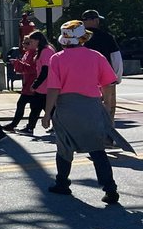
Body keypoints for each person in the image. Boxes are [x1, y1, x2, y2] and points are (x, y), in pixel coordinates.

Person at [42, 20, 133, 204]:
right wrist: (107, 107)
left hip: (66, 109)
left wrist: (47, 113)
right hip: (91, 108)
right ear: (83, 38)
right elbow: (108, 84)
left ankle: (62, 183)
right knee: (97, 150)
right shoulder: (96, 56)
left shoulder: (57, 58)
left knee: (64, 147)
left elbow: (53, 88)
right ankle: (110, 189)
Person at [81, 10, 124, 119]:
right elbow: (116, 59)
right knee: (109, 107)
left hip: (85, 79)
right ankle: (108, 125)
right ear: (95, 20)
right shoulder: (107, 37)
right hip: (106, 78)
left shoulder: (79, 39)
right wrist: (117, 78)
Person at [5, 37, 41, 134]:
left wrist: (18, 63)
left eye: (27, 43)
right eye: (23, 43)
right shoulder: (27, 54)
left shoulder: (35, 54)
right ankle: (16, 125)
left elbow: (33, 69)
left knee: (35, 107)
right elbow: (23, 69)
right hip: (27, 84)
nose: (24, 45)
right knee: (24, 105)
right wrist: (17, 64)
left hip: (33, 84)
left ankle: (27, 127)